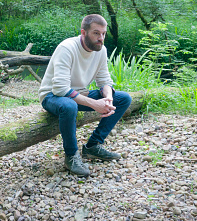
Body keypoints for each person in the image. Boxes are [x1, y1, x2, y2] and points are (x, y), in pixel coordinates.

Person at [38, 14, 132, 177]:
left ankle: (93, 147)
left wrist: (107, 97)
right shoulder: (67, 48)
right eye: (96, 33)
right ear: (83, 32)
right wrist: (94, 104)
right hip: (52, 96)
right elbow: (60, 89)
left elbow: (104, 80)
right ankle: (71, 156)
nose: (100, 38)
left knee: (123, 98)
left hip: (79, 94)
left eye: (103, 34)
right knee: (69, 105)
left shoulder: (101, 50)